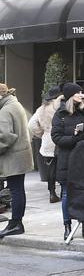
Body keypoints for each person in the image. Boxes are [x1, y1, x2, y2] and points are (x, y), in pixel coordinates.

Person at [51, 83, 84, 241]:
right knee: (66, 194)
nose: (81, 94)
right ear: (71, 95)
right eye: (78, 92)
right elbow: (56, 137)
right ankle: (67, 226)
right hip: (66, 158)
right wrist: (74, 138)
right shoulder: (60, 114)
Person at [0, 83, 35, 239]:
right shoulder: (15, 104)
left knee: (15, 190)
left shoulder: (6, 110)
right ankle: (16, 223)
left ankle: (15, 224)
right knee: (18, 189)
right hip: (21, 155)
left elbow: (5, 136)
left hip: (13, 157)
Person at [28, 86, 62, 203]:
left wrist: (42, 133)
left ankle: (52, 193)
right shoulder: (61, 107)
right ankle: (64, 191)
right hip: (61, 139)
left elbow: (31, 124)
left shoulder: (42, 109)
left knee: (51, 169)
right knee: (63, 167)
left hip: (48, 141)